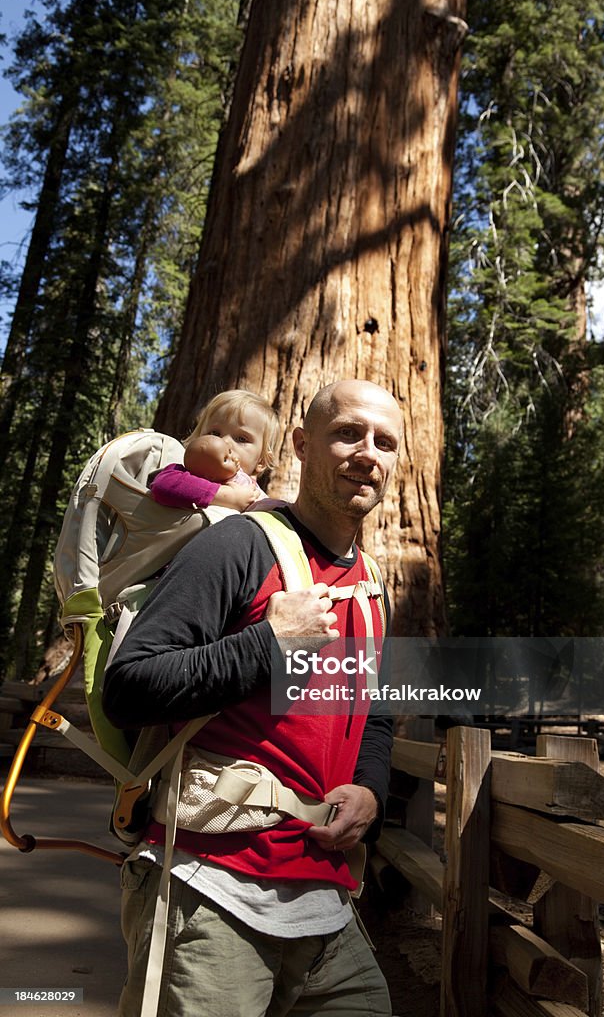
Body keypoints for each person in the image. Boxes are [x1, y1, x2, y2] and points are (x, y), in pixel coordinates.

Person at [102, 378, 402, 1017]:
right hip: (209, 889)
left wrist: (372, 787)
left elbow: (371, 711)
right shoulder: (239, 544)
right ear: (299, 445)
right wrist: (270, 641)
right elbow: (129, 686)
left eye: (385, 442)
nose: (367, 453)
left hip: (322, 898)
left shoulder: (370, 583)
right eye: (347, 432)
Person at [149, 389, 279, 512]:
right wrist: (228, 496)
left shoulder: (254, 494)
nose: (225, 442)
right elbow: (162, 485)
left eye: (241, 439)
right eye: (215, 433)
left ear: (261, 461)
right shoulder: (189, 474)